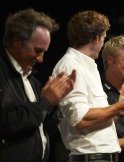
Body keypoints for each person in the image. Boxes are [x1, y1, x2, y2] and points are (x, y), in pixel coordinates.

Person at [51, 10, 124, 162]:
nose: (102, 44)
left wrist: (122, 109)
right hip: (91, 158)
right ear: (95, 38)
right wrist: (123, 105)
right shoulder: (71, 66)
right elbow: (81, 120)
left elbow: (98, 122)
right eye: (104, 38)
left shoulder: (89, 66)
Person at [0, 8, 76, 162]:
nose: (41, 59)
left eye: (44, 52)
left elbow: (41, 128)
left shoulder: (32, 80)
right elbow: (8, 122)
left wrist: (56, 102)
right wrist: (46, 102)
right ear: (16, 41)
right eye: (37, 50)